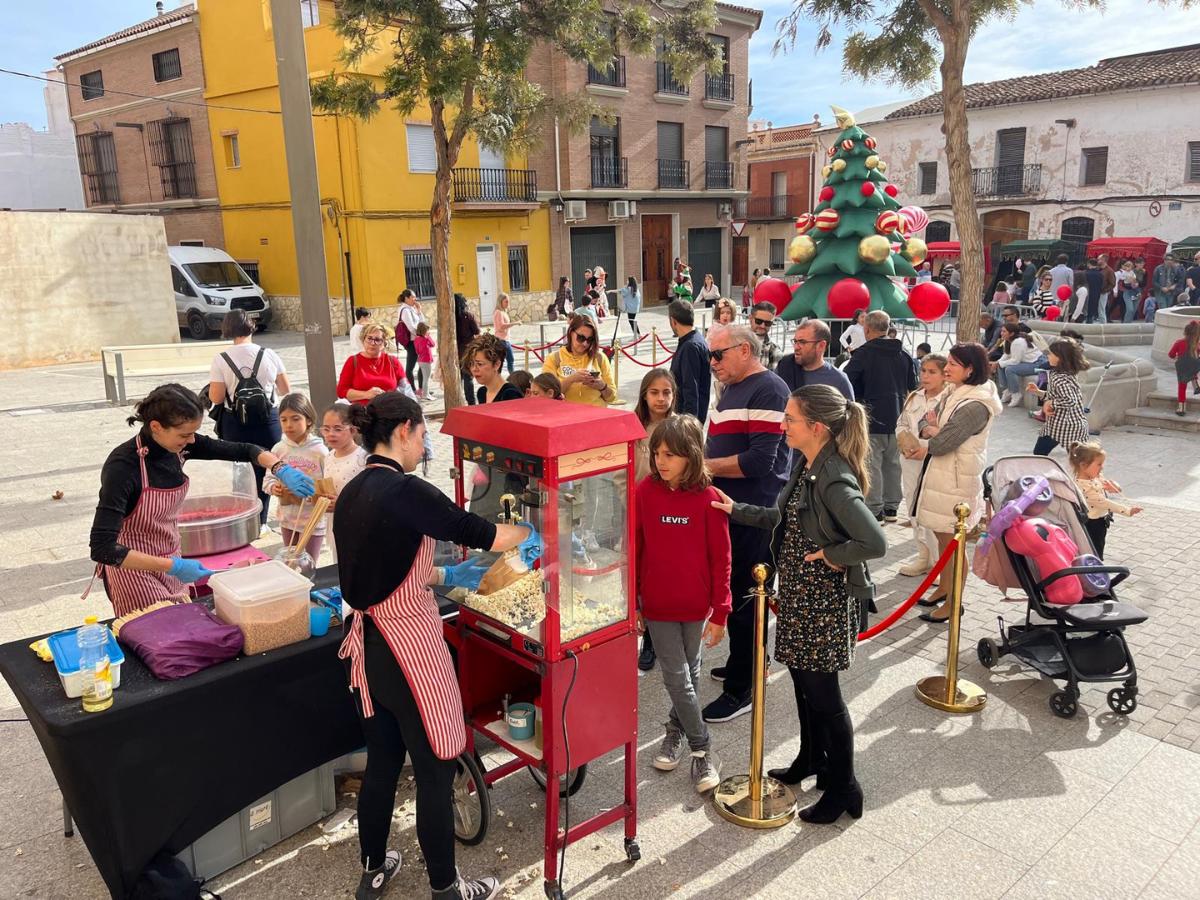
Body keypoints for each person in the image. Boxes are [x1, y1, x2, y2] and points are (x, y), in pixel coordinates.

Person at [336, 392, 540, 900]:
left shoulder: (354, 488)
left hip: (367, 646)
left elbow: (386, 560)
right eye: (424, 434)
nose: (425, 443)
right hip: (408, 647)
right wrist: (535, 530)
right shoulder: (407, 490)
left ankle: (374, 867)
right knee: (433, 769)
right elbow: (484, 532)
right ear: (404, 430)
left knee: (383, 760)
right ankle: (448, 888)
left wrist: (440, 572)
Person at [712, 385, 885, 823]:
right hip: (802, 597)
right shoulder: (811, 463)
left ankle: (845, 787)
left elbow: (873, 540)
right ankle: (812, 759)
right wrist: (736, 509)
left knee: (825, 696)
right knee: (804, 687)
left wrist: (832, 554)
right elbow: (787, 519)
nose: (782, 424)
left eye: (789, 419)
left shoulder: (833, 476)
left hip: (821, 602)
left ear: (817, 428)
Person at [89, 384, 315, 617]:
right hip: (134, 571)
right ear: (156, 426)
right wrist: (173, 567)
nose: (190, 440)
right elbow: (103, 548)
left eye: (193, 433)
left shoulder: (180, 446)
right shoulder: (123, 468)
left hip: (170, 557)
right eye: (184, 435)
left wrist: (279, 467)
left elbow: (245, 450)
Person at [702, 324, 790, 723]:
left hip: (754, 514)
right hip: (732, 510)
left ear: (744, 350)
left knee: (746, 598)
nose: (712, 362)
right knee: (737, 595)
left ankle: (744, 687)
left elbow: (761, 461)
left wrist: (702, 466)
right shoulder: (733, 387)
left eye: (718, 354)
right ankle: (746, 661)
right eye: (710, 355)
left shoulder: (769, 389)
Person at [639, 415, 730, 793]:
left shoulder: (709, 499)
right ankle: (702, 748)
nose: (661, 461)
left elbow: (721, 557)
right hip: (658, 607)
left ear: (690, 456)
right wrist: (635, 602)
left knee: (690, 676)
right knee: (677, 677)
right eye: (657, 453)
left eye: (671, 455)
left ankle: (674, 730)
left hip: (696, 608)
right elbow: (636, 545)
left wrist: (720, 611)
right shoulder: (645, 491)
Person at [907, 343, 1003, 623]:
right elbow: (927, 421)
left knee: (953, 544)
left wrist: (934, 434)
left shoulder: (974, 404)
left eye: (953, 364)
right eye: (947, 362)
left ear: (970, 369)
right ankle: (945, 589)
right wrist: (933, 430)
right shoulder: (955, 391)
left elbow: (942, 442)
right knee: (942, 537)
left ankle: (954, 603)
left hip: (956, 479)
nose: (947, 369)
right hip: (944, 475)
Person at [208, 309, 290, 523]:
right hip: (268, 420)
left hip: (235, 422)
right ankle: (262, 521)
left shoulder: (221, 359)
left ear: (227, 328)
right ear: (251, 326)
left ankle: (245, 520)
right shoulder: (269, 354)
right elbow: (284, 390)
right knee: (267, 467)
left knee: (240, 471)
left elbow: (216, 398)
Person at [844, 310, 918, 523]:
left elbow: (847, 381)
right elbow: (912, 387)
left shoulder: (863, 354)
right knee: (893, 463)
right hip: (897, 415)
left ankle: (875, 509)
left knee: (871, 463)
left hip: (870, 416)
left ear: (867, 329)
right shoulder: (904, 354)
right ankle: (892, 507)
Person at [896, 354, 948, 574]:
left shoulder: (948, 399)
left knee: (932, 509)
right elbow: (901, 423)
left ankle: (939, 562)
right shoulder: (915, 397)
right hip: (910, 460)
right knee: (913, 506)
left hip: (934, 460)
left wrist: (925, 448)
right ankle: (923, 555)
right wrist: (905, 442)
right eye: (924, 370)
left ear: (944, 375)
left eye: (932, 372)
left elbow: (949, 434)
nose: (925, 376)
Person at [263, 393, 329, 562]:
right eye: (283, 420)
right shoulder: (278, 449)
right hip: (287, 520)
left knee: (308, 563)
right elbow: (268, 480)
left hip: (313, 521)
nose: (289, 425)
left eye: (295, 419)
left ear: (308, 420)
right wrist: (274, 488)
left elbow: (328, 484)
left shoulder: (320, 451)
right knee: (291, 562)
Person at [1069, 442, 1142, 560]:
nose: (1102, 467)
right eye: (1099, 464)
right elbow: (1104, 502)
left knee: (1098, 547)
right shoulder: (1083, 486)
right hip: (1091, 524)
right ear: (1083, 465)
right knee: (1094, 551)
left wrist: (1114, 486)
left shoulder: (1095, 477)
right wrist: (1128, 511)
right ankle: (1094, 569)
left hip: (1100, 521)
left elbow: (1112, 486)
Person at [319, 402, 368, 563]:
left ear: (353, 430)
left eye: (338, 429)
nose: (331, 434)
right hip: (335, 524)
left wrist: (341, 502)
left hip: (359, 525)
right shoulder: (328, 457)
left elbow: (369, 496)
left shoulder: (363, 458)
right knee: (339, 564)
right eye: (326, 429)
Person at [1028, 338, 1091, 456]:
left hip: (1067, 426)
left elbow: (1070, 400)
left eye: (1051, 354)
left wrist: (1050, 403)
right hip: (1058, 425)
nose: (1048, 356)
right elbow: (1057, 395)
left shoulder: (1060, 378)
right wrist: (1038, 392)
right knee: (1041, 454)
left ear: (1060, 358)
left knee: (1040, 455)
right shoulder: (1064, 373)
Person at [540, 314, 616, 406]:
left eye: (590, 340)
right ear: (571, 333)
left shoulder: (599, 358)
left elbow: (612, 397)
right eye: (581, 338)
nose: (585, 343)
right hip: (566, 416)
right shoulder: (554, 358)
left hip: (596, 415)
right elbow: (547, 395)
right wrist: (571, 379)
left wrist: (602, 386)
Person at [775, 319, 853, 400]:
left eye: (802, 342)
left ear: (821, 345)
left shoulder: (838, 380)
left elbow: (850, 411)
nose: (796, 347)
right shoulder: (784, 367)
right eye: (795, 341)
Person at [338, 323, 410, 405]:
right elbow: (341, 391)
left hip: (390, 412)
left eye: (377, 340)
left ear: (383, 344)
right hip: (362, 414)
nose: (372, 343)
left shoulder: (393, 361)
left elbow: (406, 389)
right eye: (369, 338)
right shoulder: (353, 361)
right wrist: (366, 394)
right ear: (363, 340)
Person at [667, 300, 711, 423]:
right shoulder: (694, 340)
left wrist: (688, 425)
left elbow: (690, 389)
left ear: (673, 321)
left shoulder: (690, 347)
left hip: (686, 422)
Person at [633, 368, 677, 483]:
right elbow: (621, 476)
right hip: (637, 497)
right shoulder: (631, 426)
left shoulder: (682, 429)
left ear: (673, 395)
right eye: (654, 392)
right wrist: (631, 500)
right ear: (644, 395)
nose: (661, 399)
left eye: (666, 392)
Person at [463, 333, 524, 405]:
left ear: (497, 364)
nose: (474, 369)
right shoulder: (482, 392)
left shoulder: (510, 394)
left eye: (479, 364)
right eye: (471, 364)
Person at [996, 322, 1045, 407]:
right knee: (1001, 365)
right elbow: (1007, 354)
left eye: (1004, 331)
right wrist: (998, 363)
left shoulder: (1018, 342)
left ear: (1011, 333)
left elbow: (1015, 361)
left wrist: (999, 363)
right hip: (1028, 362)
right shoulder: (1009, 340)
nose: (1001, 333)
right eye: (1001, 331)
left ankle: (1016, 393)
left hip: (1038, 364)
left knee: (1009, 369)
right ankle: (1007, 389)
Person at [1168, 319, 1200, 416]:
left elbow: (1171, 354)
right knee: (1193, 365)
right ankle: (1195, 384)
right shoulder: (1197, 345)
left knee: (1182, 387)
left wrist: (1176, 356)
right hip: (1193, 367)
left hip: (1182, 368)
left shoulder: (1179, 343)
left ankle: (1181, 408)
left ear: (1185, 332)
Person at [454, 293, 480, 406]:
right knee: (468, 377)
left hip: (455, 350)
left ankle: (458, 400)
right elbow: (476, 331)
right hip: (467, 349)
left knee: (457, 377)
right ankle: (471, 402)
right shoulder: (467, 316)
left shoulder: (451, 317)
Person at [396, 289, 426, 388]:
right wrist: (421, 335)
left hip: (417, 339)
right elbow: (412, 327)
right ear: (407, 298)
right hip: (411, 341)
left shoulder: (411, 308)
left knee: (422, 364)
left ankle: (422, 388)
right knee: (410, 367)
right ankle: (412, 389)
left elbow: (422, 324)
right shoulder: (405, 310)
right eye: (413, 297)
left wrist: (419, 311)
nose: (415, 299)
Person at [1150, 255, 1181, 322]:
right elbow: (1154, 281)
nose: (1169, 261)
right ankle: (1162, 323)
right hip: (1160, 292)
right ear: (1164, 260)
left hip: (1170, 292)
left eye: (1171, 260)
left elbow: (1179, 280)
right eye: (1167, 259)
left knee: (1168, 308)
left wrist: (1174, 285)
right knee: (1163, 308)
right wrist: (1161, 288)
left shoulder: (1175, 269)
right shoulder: (1158, 269)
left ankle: (1165, 323)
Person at [750, 301, 782, 368]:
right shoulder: (736, 340)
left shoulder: (774, 349)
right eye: (759, 321)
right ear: (750, 318)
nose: (762, 326)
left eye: (768, 323)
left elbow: (773, 377)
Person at [492, 293, 515, 374]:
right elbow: (501, 327)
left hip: (505, 340)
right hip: (501, 341)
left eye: (508, 301)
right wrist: (514, 323)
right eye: (506, 301)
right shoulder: (498, 312)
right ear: (500, 302)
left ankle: (511, 379)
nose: (508, 303)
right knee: (503, 362)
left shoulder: (503, 312)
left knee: (509, 361)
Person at [413, 322, 437, 401]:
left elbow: (417, 351)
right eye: (427, 330)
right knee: (426, 379)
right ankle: (425, 395)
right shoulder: (426, 339)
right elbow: (433, 344)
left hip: (420, 360)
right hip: (426, 360)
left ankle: (426, 394)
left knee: (425, 378)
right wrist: (429, 336)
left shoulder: (416, 339)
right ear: (424, 331)